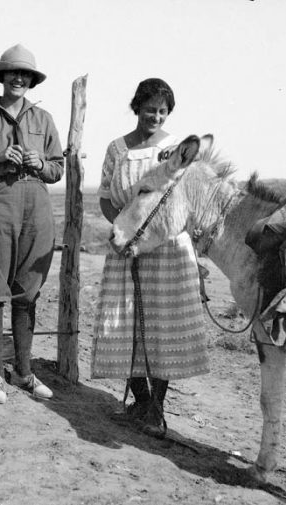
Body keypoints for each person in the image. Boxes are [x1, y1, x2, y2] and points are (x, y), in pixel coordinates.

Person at [91, 78, 209, 438]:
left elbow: (186, 198)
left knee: (164, 325)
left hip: (169, 247)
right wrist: (130, 235)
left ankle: (156, 408)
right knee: (124, 323)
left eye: (162, 110)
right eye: (149, 108)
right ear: (136, 108)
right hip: (127, 243)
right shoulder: (116, 149)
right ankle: (140, 401)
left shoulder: (177, 149)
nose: (155, 116)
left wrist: (151, 237)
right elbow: (105, 198)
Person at [0, 44, 64, 404]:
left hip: (35, 209)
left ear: (32, 81)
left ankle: (24, 372)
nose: (18, 78)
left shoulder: (44, 119)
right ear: (2, 76)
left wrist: (39, 164)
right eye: (12, 73)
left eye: (25, 75)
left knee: (27, 291)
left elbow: (57, 169)